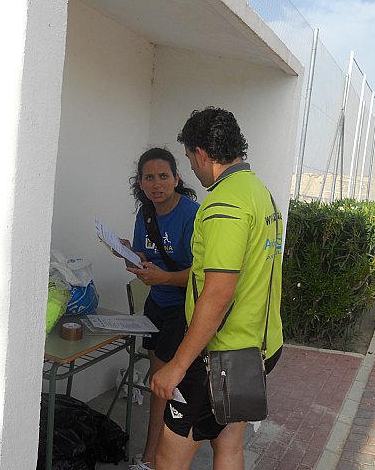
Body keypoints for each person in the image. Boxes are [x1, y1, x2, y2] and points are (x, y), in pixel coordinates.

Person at [150, 107, 284, 469]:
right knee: (229, 444)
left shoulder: (224, 204)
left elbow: (218, 293)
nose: (191, 168)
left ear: (202, 153)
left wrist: (178, 365)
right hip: (257, 349)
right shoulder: (260, 193)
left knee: (168, 457)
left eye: (190, 158)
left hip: (219, 358)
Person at [119, 147, 199, 470]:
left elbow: (203, 276)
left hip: (183, 310)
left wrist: (163, 276)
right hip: (156, 305)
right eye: (149, 177)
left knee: (161, 386)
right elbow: (144, 260)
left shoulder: (193, 215)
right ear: (140, 182)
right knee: (159, 383)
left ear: (177, 179)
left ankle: (152, 459)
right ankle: (154, 456)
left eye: (163, 176)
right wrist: (124, 252)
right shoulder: (145, 215)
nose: (157, 184)